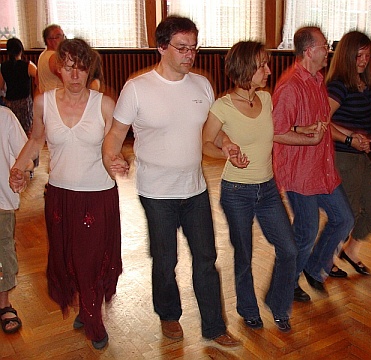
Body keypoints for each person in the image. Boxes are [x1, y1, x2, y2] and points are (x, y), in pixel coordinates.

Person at [102, 16, 240, 349]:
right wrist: (112, 157)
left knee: (206, 258)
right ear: (161, 47)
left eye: (194, 47)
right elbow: (115, 135)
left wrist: (226, 143)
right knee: (166, 261)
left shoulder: (202, 85)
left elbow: (211, 130)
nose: (189, 55)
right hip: (157, 193)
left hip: (196, 190)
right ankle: (168, 314)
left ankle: (214, 326)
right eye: (181, 48)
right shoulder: (137, 89)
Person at [9, 38, 122, 350]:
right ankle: (86, 306)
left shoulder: (105, 104)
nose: (75, 74)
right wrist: (19, 167)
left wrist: (117, 160)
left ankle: (92, 317)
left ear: (89, 70)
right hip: (60, 197)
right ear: (58, 68)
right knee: (68, 257)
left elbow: (113, 146)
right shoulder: (44, 101)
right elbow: (35, 140)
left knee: (92, 260)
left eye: (81, 68)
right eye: (69, 67)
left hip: (97, 195)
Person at [202, 41, 297, 332]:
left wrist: (305, 131)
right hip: (237, 192)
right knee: (244, 255)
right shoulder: (223, 106)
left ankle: (278, 303)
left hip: (267, 189)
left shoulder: (266, 99)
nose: (268, 70)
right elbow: (205, 142)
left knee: (289, 250)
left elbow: (277, 132)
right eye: (262, 65)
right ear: (246, 68)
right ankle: (248, 308)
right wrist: (227, 150)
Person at [272, 26, 355, 302]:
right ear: (309, 51)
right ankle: (287, 284)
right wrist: (308, 138)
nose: (328, 50)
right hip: (300, 173)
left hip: (322, 168)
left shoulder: (318, 79)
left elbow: (319, 124)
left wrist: (347, 138)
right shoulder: (289, 86)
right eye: (324, 45)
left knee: (343, 219)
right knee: (305, 231)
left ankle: (314, 265)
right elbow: (276, 131)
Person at [326, 31, 371, 276]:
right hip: (343, 156)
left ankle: (350, 251)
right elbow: (322, 123)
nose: (364, 60)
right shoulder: (338, 85)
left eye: (367, 55)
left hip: (360, 156)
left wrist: (362, 140)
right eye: (359, 55)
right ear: (347, 55)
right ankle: (324, 260)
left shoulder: (364, 83)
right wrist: (351, 139)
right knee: (345, 215)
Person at [0, 106, 33, 334]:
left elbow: (26, 154)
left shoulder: (5, 117)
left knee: (3, 252)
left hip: (0, 201)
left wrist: (21, 171)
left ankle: (3, 304)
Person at [0, 37, 38, 137]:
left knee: (12, 131)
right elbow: (39, 78)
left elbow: (1, 86)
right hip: (24, 103)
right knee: (27, 131)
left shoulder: (3, 66)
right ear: (21, 49)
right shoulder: (28, 65)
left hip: (10, 102)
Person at [37, 24, 65, 94]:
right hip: (57, 98)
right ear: (49, 41)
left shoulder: (43, 54)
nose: (63, 40)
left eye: (63, 36)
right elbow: (66, 80)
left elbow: (36, 81)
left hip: (47, 97)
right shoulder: (54, 57)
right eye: (59, 37)